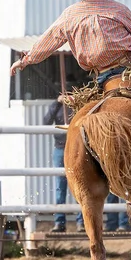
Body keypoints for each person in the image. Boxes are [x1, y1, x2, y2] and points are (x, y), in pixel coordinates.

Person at [43, 97, 85, 233]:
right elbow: (46, 122)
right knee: (60, 187)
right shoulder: (58, 107)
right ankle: (60, 222)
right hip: (61, 147)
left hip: (77, 147)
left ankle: (81, 221)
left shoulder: (79, 105)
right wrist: (57, 103)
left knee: (80, 184)